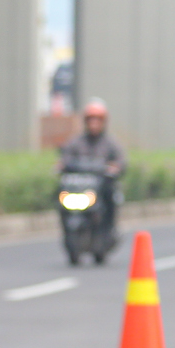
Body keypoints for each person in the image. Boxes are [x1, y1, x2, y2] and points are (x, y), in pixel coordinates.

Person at [59, 97, 125, 245]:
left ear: (104, 121)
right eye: (91, 119)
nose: (94, 123)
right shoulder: (76, 142)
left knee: (111, 195)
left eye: (97, 120)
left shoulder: (110, 143)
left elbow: (121, 161)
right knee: (60, 194)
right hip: (80, 187)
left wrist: (115, 168)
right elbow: (65, 157)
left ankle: (109, 230)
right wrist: (62, 165)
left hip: (100, 187)